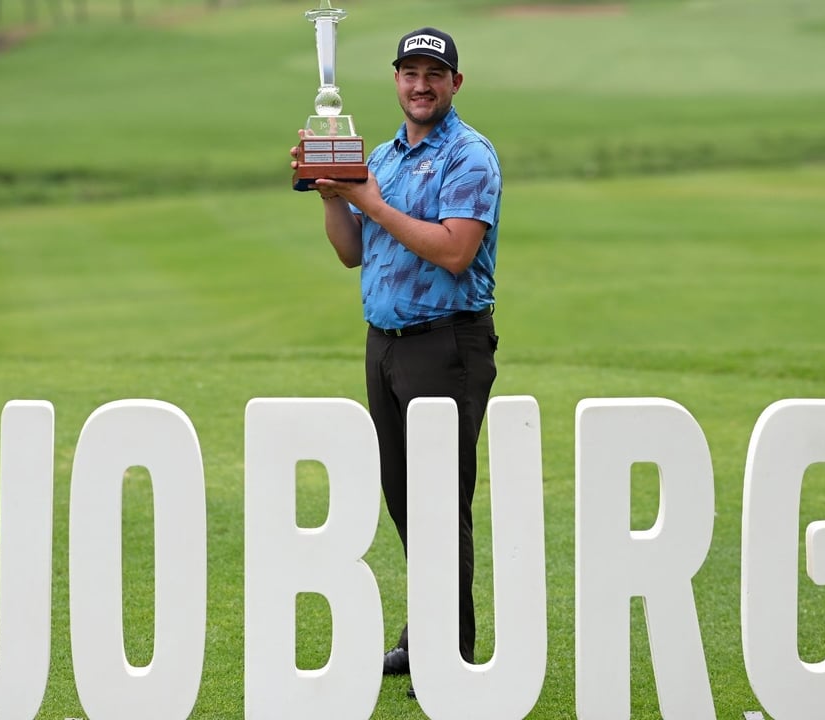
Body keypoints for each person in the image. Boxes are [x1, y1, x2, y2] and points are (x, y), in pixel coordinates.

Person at [290, 26, 502, 698]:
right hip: (384, 346)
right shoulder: (378, 154)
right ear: (395, 80)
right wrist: (333, 195)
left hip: (447, 346)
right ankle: (424, 635)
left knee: (442, 502)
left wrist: (368, 198)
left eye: (433, 75)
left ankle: (454, 658)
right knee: (405, 501)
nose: (420, 85)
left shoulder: (470, 156)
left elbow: (454, 251)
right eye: (409, 72)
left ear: (454, 85)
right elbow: (352, 251)